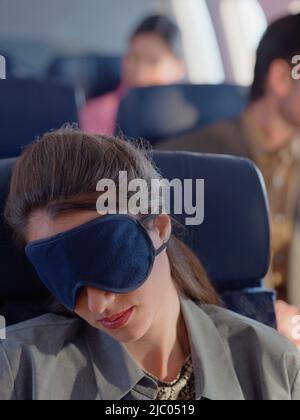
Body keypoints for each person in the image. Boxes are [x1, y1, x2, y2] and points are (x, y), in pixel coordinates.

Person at [0, 127, 299, 400]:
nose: (97, 304)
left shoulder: (275, 369)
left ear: (159, 226)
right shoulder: (16, 371)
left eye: (108, 260)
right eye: (61, 275)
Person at [157, 14, 300, 339]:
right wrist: (260, 316)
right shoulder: (187, 162)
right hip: (222, 335)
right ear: (280, 77)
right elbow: (162, 277)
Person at [80, 15, 186, 136]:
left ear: (179, 69)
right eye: (134, 57)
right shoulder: (98, 113)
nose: (141, 70)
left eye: (153, 61)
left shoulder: (191, 121)